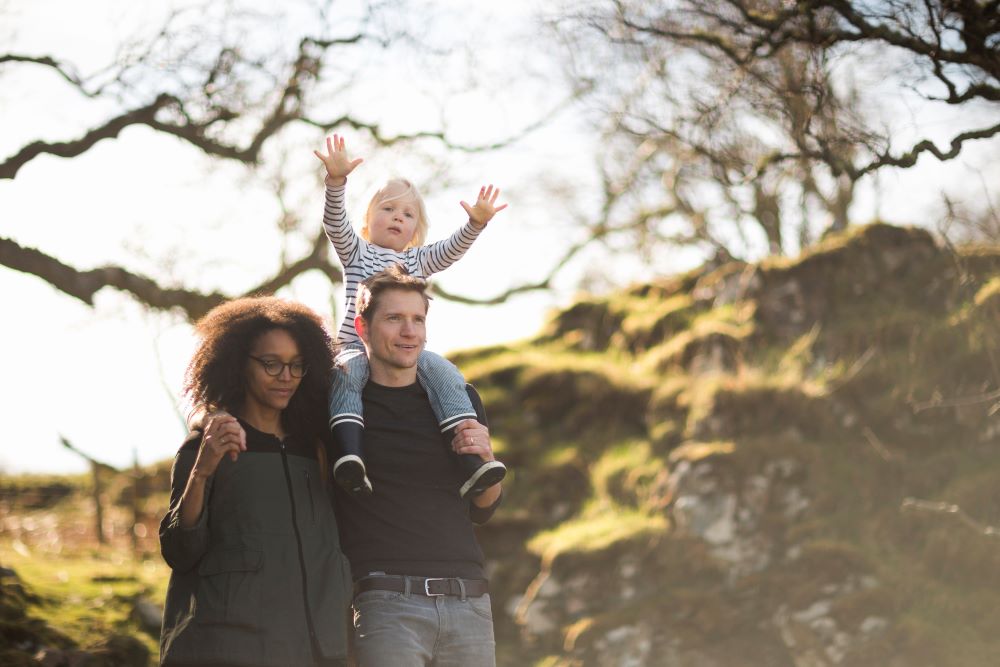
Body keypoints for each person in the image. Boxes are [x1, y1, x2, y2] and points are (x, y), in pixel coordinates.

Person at [159, 297, 353, 667]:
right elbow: (180, 551)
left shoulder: (318, 450)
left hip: (317, 652)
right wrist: (202, 472)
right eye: (271, 364)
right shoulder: (207, 447)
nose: (286, 377)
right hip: (225, 650)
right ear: (238, 365)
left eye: (297, 365)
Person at [314, 134, 507, 499]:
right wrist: (336, 182)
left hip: (405, 353)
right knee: (345, 378)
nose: (397, 218)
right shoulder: (357, 250)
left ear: (415, 231)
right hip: (356, 347)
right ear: (369, 221)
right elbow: (335, 223)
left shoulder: (417, 261)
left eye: (407, 214)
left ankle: (473, 463)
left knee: (445, 372)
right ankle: (350, 457)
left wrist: (475, 225)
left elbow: (450, 251)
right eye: (388, 210)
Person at [334, 265, 503, 666]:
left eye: (418, 320)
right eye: (394, 319)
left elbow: (485, 507)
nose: (409, 331)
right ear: (363, 326)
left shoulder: (457, 400)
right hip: (386, 602)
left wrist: (488, 458)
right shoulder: (341, 407)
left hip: (469, 601)